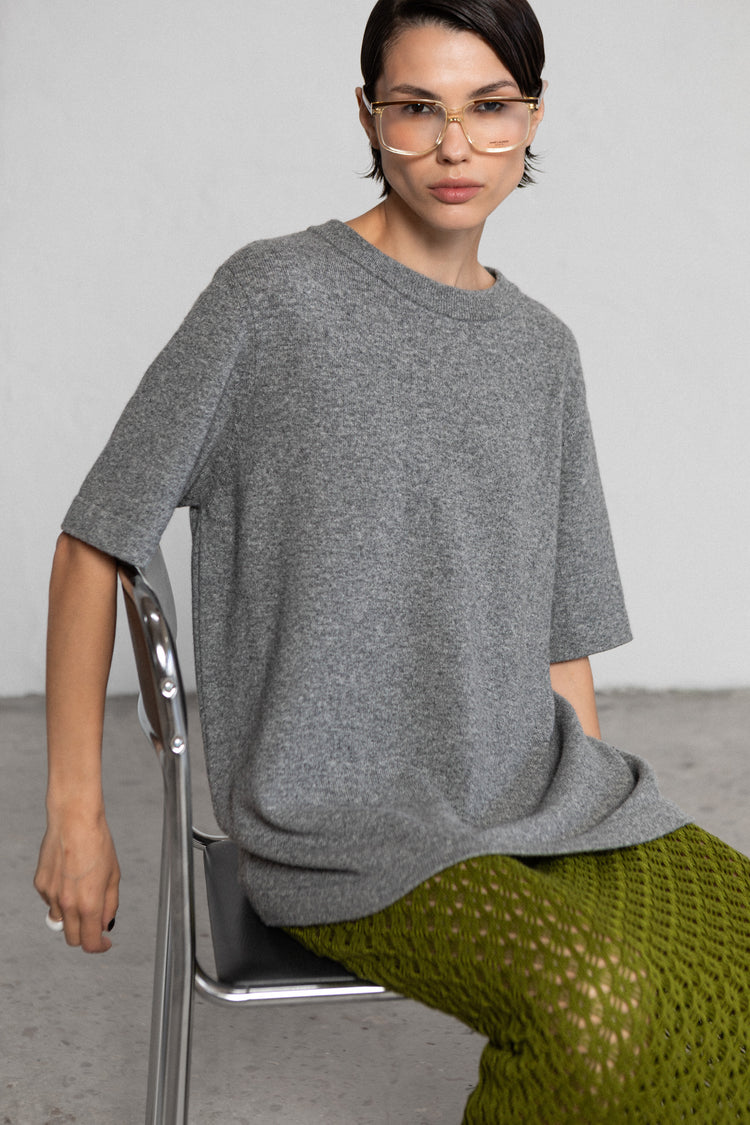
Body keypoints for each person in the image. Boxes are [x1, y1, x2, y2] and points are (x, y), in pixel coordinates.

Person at [34, 0, 750, 1119]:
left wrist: (583, 840)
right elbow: (95, 537)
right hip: (341, 827)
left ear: (533, 118)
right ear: (368, 117)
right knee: (597, 1007)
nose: (455, 145)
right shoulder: (271, 298)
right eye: (418, 108)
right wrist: (75, 810)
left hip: (533, 788)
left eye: (489, 107)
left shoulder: (542, 351)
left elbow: (559, 633)